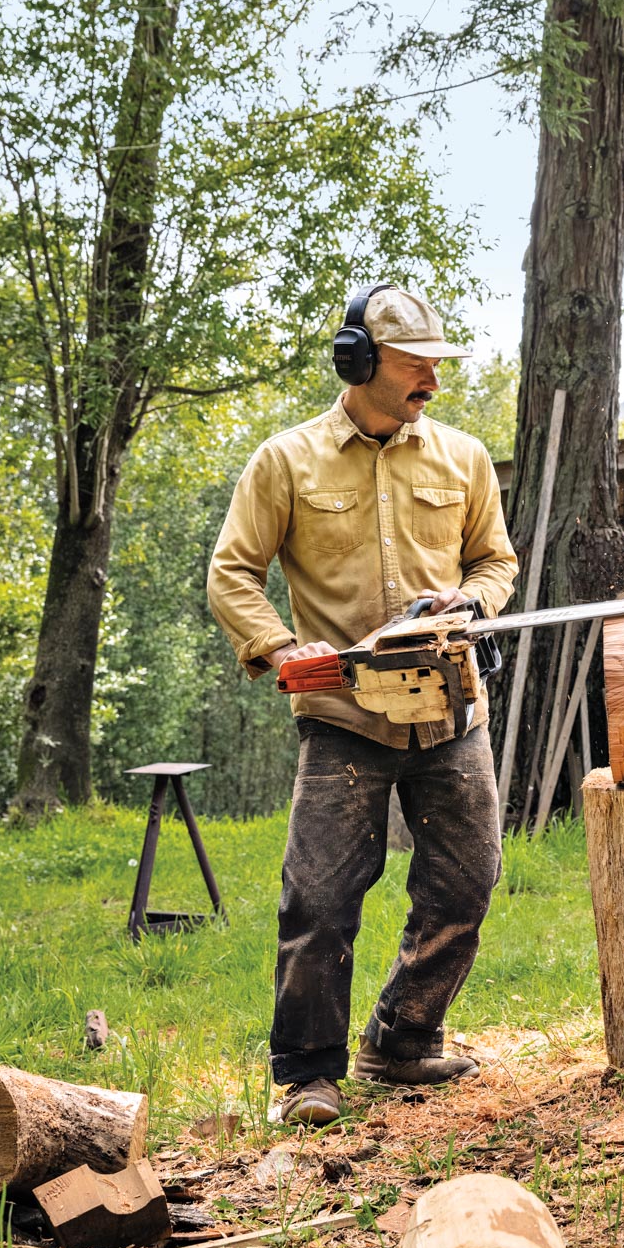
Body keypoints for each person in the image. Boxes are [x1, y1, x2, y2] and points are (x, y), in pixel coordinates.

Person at [207, 284, 518, 1124]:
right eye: (417, 365)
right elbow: (231, 573)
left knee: (466, 883)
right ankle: (307, 1074)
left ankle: (404, 1039)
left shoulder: (463, 458)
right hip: (345, 716)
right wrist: (281, 647)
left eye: (435, 365)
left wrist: (472, 604)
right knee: (319, 899)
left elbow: (495, 562)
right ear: (359, 361)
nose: (433, 383)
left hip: (451, 710)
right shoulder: (287, 460)